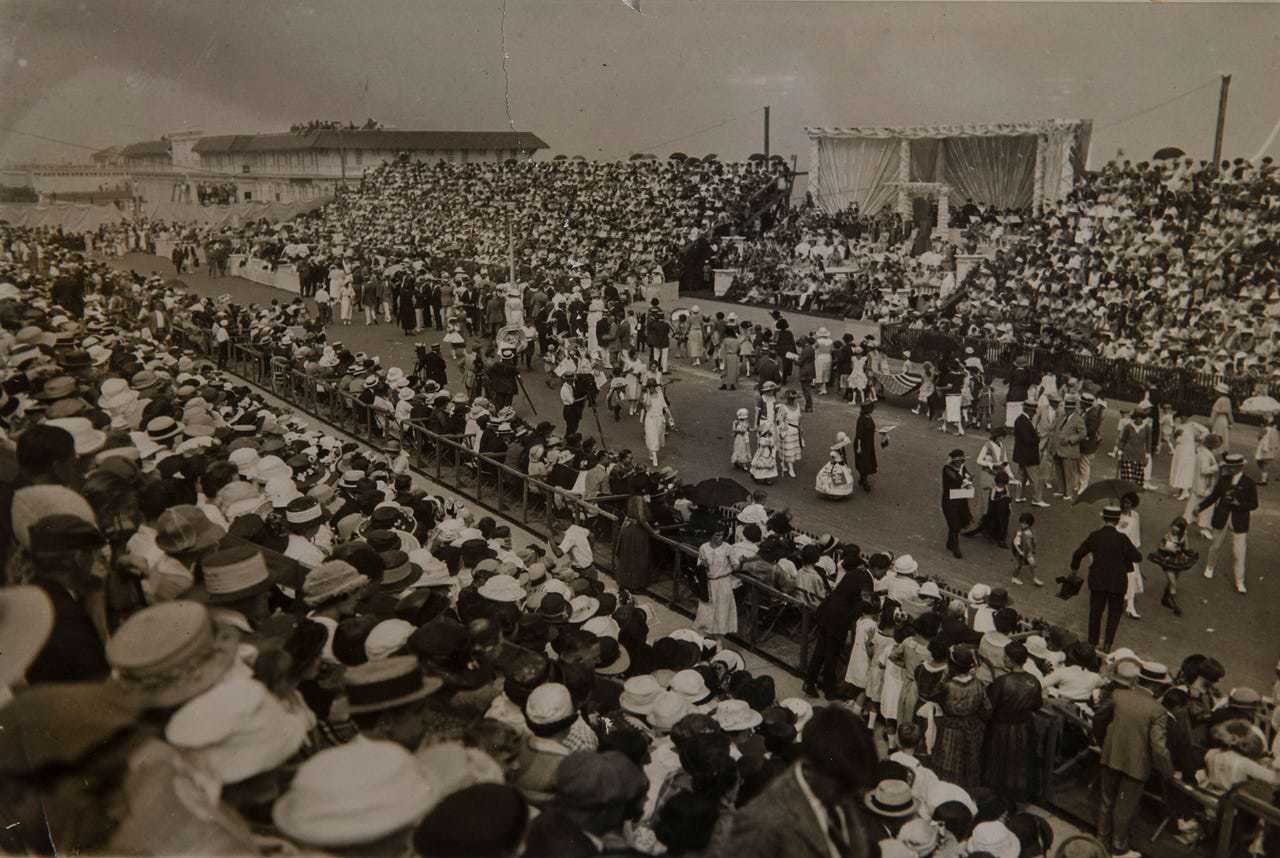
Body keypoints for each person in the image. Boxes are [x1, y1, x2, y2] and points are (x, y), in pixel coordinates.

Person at [1092, 655, 1173, 858]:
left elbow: (1099, 719)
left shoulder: (1118, 695)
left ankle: (1101, 841)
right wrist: (1167, 772)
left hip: (1111, 756)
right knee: (1124, 808)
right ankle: (1118, 848)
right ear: (1156, 687)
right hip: (1137, 764)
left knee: (1106, 801)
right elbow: (1158, 748)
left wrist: (1106, 744)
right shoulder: (1158, 710)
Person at [1069, 505, 1142, 651]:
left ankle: (1092, 643)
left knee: (1096, 611)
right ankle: (1107, 644)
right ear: (1117, 520)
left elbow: (1077, 554)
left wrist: (1074, 569)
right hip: (1118, 582)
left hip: (1098, 580)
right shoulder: (1122, 539)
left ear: (1103, 518)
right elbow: (1137, 557)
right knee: (1114, 613)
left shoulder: (1095, 536)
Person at [983, 641, 1043, 810]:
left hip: (1002, 728)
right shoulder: (1033, 681)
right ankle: (1015, 798)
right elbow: (1037, 704)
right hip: (1024, 728)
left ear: (1009, 660)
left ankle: (997, 798)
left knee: (998, 761)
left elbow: (989, 707)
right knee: (1019, 763)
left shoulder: (1002, 681)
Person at [1197, 452, 1258, 593]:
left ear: (1240, 467)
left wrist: (1239, 504)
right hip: (1221, 517)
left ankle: (1239, 581)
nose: (1229, 469)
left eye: (1233, 467)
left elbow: (1254, 504)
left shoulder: (1249, 483)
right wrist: (1199, 507)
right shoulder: (1224, 479)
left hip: (1239, 520)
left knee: (1239, 553)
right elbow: (1214, 496)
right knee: (1215, 546)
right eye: (1228, 466)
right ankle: (1210, 567)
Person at [1148, 516, 1197, 617]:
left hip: (1178, 561)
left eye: (1178, 527)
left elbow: (1186, 549)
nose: (1175, 528)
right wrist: (1169, 549)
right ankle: (1175, 605)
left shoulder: (1183, 537)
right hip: (1167, 560)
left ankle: (1165, 598)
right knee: (1173, 582)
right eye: (1174, 526)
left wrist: (1184, 550)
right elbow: (1160, 546)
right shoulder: (1167, 536)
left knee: (1173, 580)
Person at [694, 527, 737, 641]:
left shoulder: (728, 548)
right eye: (717, 535)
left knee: (721, 611)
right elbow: (700, 566)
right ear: (711, 536)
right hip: (708, 583)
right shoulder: (703, 548)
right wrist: (703, 566)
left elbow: (736, 565)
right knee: (707, 610)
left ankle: (719, 642)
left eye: (722, 535)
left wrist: (734, 561)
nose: (720, 538)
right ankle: (705, 638)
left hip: (723, 583)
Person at [1051, 397, 1086, 503]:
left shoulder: (1078, 419)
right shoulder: (1062, 417)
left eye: (1070, 408)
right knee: (1059, 470)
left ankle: (1069, 493)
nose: (1067, 410)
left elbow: (1083, 434)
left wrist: (1071, 439)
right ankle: (1061, 490)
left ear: (1074, 409)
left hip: (1069, 450)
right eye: (1066, 408)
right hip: (1058, 449)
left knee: (1068, 473)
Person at [941, 449, 974, 560]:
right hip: (949, 500)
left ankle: (950, 543)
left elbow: (968, 475)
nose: (961, 462)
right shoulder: (947, 469)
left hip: (959, 497)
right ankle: (956, 547)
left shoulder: (961, 467)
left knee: (956, 522)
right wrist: (966, 479)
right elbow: (957, 479)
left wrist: (968, 479)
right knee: (954, 523)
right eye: (959, 460)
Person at [1115, 492, 1144, 619]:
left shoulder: (1136, 516)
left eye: (1127, 502)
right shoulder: (1115, 514)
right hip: (1116, 552)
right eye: (1123, 501)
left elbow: (1136, 535)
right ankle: (1118, 602)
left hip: (1129, 552)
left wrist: (1135, 551)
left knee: (1131, 578)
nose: (1125, 504)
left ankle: (1130, 606)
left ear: (1132, 504)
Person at [1012, 402, 1046, 507]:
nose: (1034, 414)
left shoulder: (1019, 420)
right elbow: (1028, 440)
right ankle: (1037, 499)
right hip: (1029, 455)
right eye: (1033, 411)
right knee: (1035, 478)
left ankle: (1019, 496)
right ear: (1029, 410)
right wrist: (1037, 438)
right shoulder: (1024, 422)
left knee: (1021, 476)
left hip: (1021, 454)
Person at [1168, 412, 1206, 501]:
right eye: (1181, 417)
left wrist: (1199, 438)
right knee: (1178, 468)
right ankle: (1181, 491)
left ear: (1188, 417)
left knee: (1185, 469)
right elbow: (1176, 439)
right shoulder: (1178, 426)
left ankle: (1186, 492)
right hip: (1179, 449)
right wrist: (1176, 434)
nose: (1183, 418)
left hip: (1188, 449)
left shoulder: (1192, 425)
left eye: (1185, 416)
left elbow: (1205, 431)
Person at [640, 378, 673, 468]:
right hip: (650, 419)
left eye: (652, 387)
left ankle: (651, 453)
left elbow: (665, 406)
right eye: (649, 387)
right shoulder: (646, 396)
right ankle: (655, 458)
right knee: (652, 436)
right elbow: (646, 406)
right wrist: (648, 396)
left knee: (657, 438)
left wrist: (670, 416)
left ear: (655, 387)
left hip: (659, 419)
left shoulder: (660, 394)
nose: (651, 389)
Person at [815, 433, 854, 499]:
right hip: (837, 465)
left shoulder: (839, 451)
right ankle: (834, 492)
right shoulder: (835, 453)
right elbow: (835, 459)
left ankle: (837, 492)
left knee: (839, 478)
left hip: (840, 465)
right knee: (836, 478)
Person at [1010, 512, 1043, 587]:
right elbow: (1015, 543)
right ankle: (1014, 577)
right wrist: (1020, 551)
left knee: (1032, 564)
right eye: (1022, 523)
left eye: (1025, 523)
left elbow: (1032, 540)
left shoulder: (1030, 531)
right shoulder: (1019, 532)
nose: (1023, 525)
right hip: (1022, 552)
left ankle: (1035, 578)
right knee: (1019, 565)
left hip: (1028, 552)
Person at [777, 390, 804, 479]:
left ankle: (784, 463)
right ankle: (790, 468)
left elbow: (799, 419)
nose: (792, 400)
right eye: (790, 399)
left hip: (796, 431)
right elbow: (779, 420)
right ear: (787, 399)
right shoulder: (783, 407)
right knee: (789, 450)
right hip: (787, 430)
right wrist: (782, 428)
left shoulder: (798, 406)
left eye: (794, 398)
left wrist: (801, 428)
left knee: (793, 449)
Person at [854, 400, 879, 492]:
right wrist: (859, 447)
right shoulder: (862, 419)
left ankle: (862, 478)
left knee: (867, 461)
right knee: (864, 462)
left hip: (868, 443)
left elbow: (870, 429)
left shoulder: (868, 417)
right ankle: (864, 481)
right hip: (863, 444)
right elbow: (859, 434)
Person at [1255, 414, 1277, 486]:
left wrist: (1261, 429)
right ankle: (1265, 476)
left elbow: (1259, 437)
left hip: (1264, 448)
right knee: (1264, 463)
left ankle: (1264, 480)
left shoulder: (1265, 429)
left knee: (1261, 462)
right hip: (1270, 448)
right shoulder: (1274, 430)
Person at [1209, 382, 1233, 449]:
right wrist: (1230, 422)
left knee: (1216, 435)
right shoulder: (1228, 400)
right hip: (1225, 420)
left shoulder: (1219, 400)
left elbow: (1215, 412)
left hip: (1218, 420)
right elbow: (1229, 412)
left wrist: (1210, 422)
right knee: (1223, 436)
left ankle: (1214, 449)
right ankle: (1224, 450)